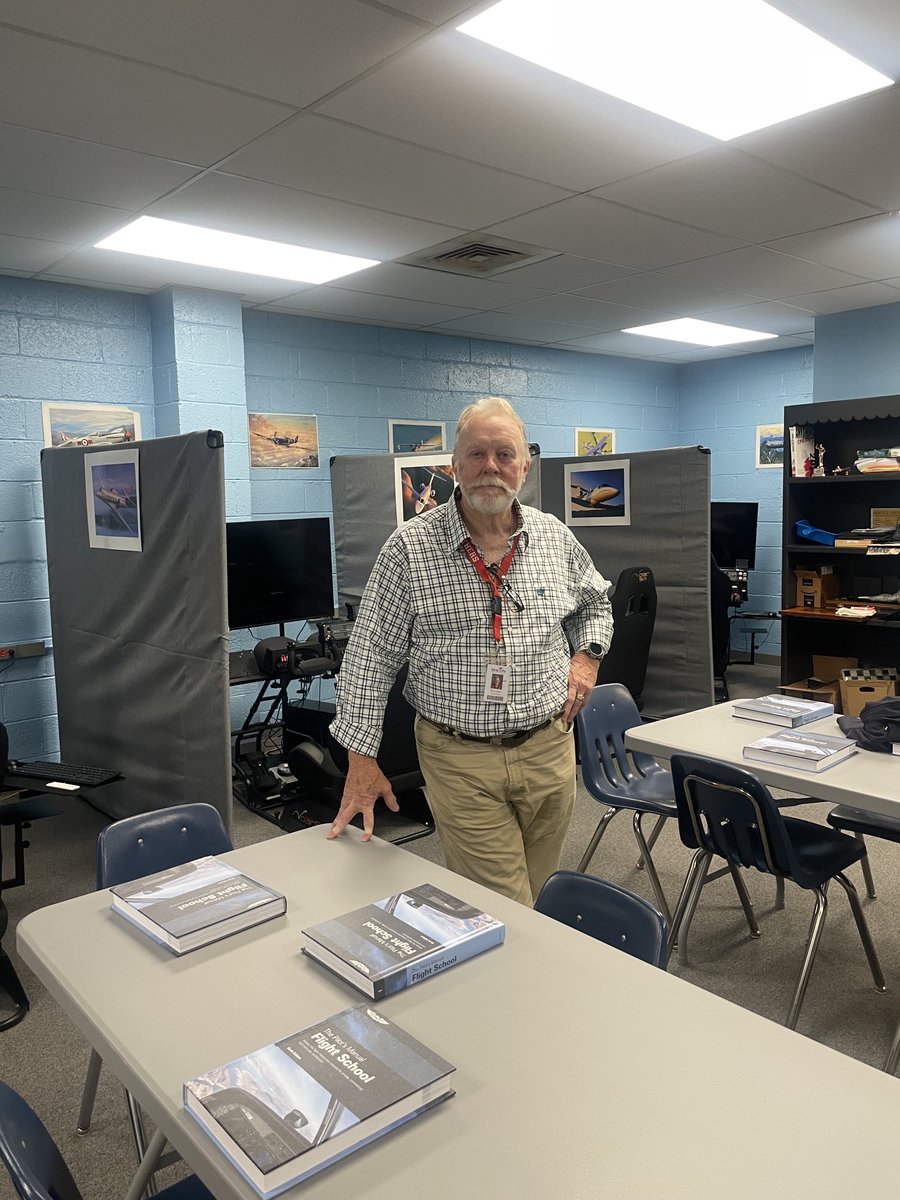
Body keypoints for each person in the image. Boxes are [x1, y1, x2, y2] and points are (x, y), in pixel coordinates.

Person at [328, 396, 614, 905]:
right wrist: (361, 758)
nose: (490, 467)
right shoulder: (410, 549)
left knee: (540, 888)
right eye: (476, 455)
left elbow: (596, 605)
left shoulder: (554, 537)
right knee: (504, 902)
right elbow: (369, 656)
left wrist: (586, 657)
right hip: (458, 757)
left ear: (525, 465)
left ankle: (524, 980)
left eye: (504, 454)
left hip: (549, 747)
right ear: (454, 466)